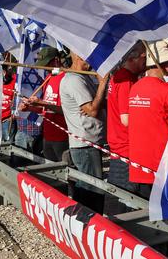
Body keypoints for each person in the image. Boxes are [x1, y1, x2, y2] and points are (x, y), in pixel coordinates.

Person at [127, 39, 168, 198]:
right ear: (161, 63)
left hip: (140, 165)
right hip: (162, 167)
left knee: (149, 216)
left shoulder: (136, 87)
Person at [60, 51, 108, 213]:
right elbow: (92, 110)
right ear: (80, 57)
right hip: (85, 144)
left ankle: (83, 222)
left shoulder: (82, 77)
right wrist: (102, 84)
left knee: (87, 186)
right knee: (92, 189)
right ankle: (88, 224)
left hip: (88, 142)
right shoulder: (74, 80)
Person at [104, 42, 146, 215]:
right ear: (133, 57)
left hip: (118, 144)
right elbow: (126, 118)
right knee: (125, 200)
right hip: (126, 147)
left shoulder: (118, 76)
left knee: (120, 197)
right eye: (144, 56)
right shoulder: (127, 79)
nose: (146, 61)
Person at [19, 47, 69, 162]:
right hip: (47, 135)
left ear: (56, 60)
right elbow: (45, 108)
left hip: (62, 136)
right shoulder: (49, 77)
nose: (45, 68)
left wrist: (41, 103)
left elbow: (68, 110)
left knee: (67, 174)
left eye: (47, 64)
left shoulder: (67, 78)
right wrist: (30, 108)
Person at [1, 66, 16, 142]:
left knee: (7, 146)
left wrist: (13, 114)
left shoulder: (14, 80)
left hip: (7, 120)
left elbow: (17, 97)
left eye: (4, 71)